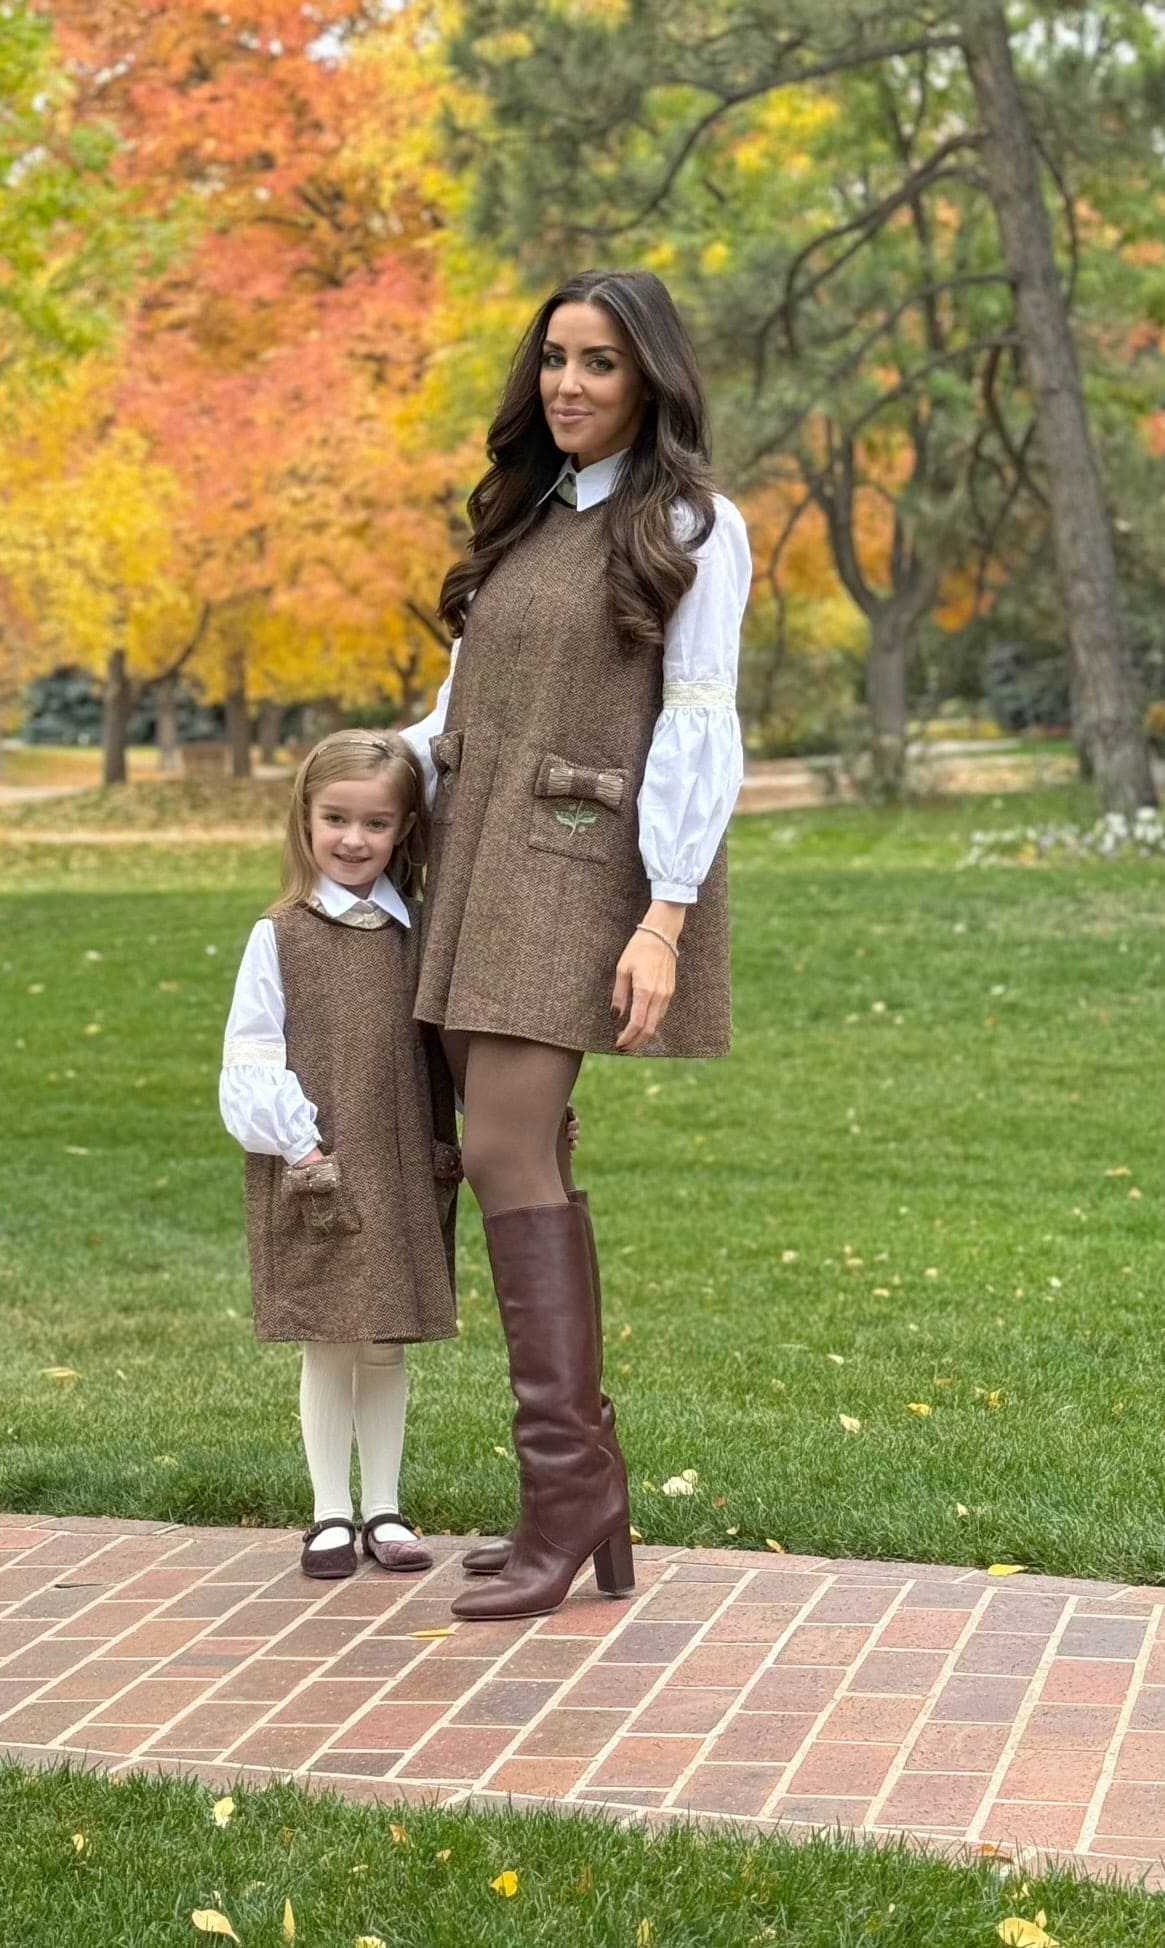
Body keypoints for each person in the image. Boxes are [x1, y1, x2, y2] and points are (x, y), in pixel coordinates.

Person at [403, 268, 751, 1621]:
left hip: (588, 868)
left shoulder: (690, 525)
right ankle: (578, 1497)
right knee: (517, 1147)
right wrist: (382, 803)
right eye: (553, 359)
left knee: (500, 1144)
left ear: (649, 378)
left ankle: (565, 1493)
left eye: (600, 363)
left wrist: (663, 916)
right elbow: (455, 708)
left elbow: (700, 716)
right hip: (481, 861)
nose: (567, 386)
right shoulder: (528, 518)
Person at [219, 730, 461, 1580]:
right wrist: (299, 1143)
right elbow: (251, 1051)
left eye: (376, 823)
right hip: (319, 1158)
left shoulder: (420, 935)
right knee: (327, 1332)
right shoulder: (278, 936)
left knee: (384, 1338)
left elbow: (458, 1047)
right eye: (335, 819)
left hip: (400, 1157)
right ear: (306, 821)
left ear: (404, 831)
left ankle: (386, 1507)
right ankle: (329, 1513)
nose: (354, 839)